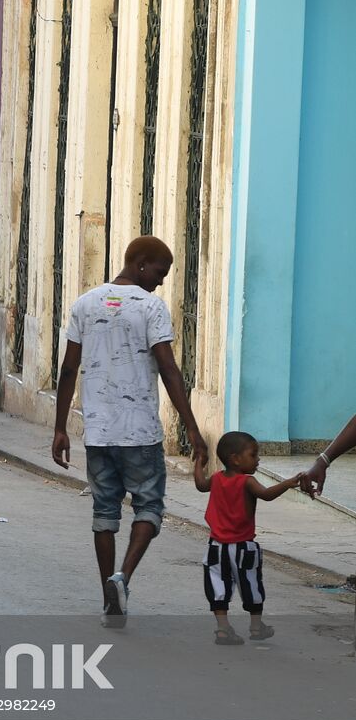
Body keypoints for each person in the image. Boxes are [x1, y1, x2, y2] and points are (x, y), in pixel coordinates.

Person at [52, 235, 208, 629]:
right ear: (140, 263)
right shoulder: (151, 308)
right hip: (140, 433)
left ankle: (109, 593)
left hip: (99, 433)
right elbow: (170, 372)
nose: (160, 281)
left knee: (104, 511)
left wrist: (60, 429)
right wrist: (192, 429)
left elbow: (68, 370)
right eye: (159, 272)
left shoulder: (84, 304)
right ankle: (122, 577)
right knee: (149, 508)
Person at [193, 432, 308, 645]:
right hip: (243, 547)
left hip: (216, 546)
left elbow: (200, 484)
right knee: (251, 585)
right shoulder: (247, 482)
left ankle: (222, 629)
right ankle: (256, 627)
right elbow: (267, 495)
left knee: (218, 587)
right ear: (236, 458)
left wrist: (199, 462)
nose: (258, 460)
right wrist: (288, 483)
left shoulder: (217, 478)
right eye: (253, 455)